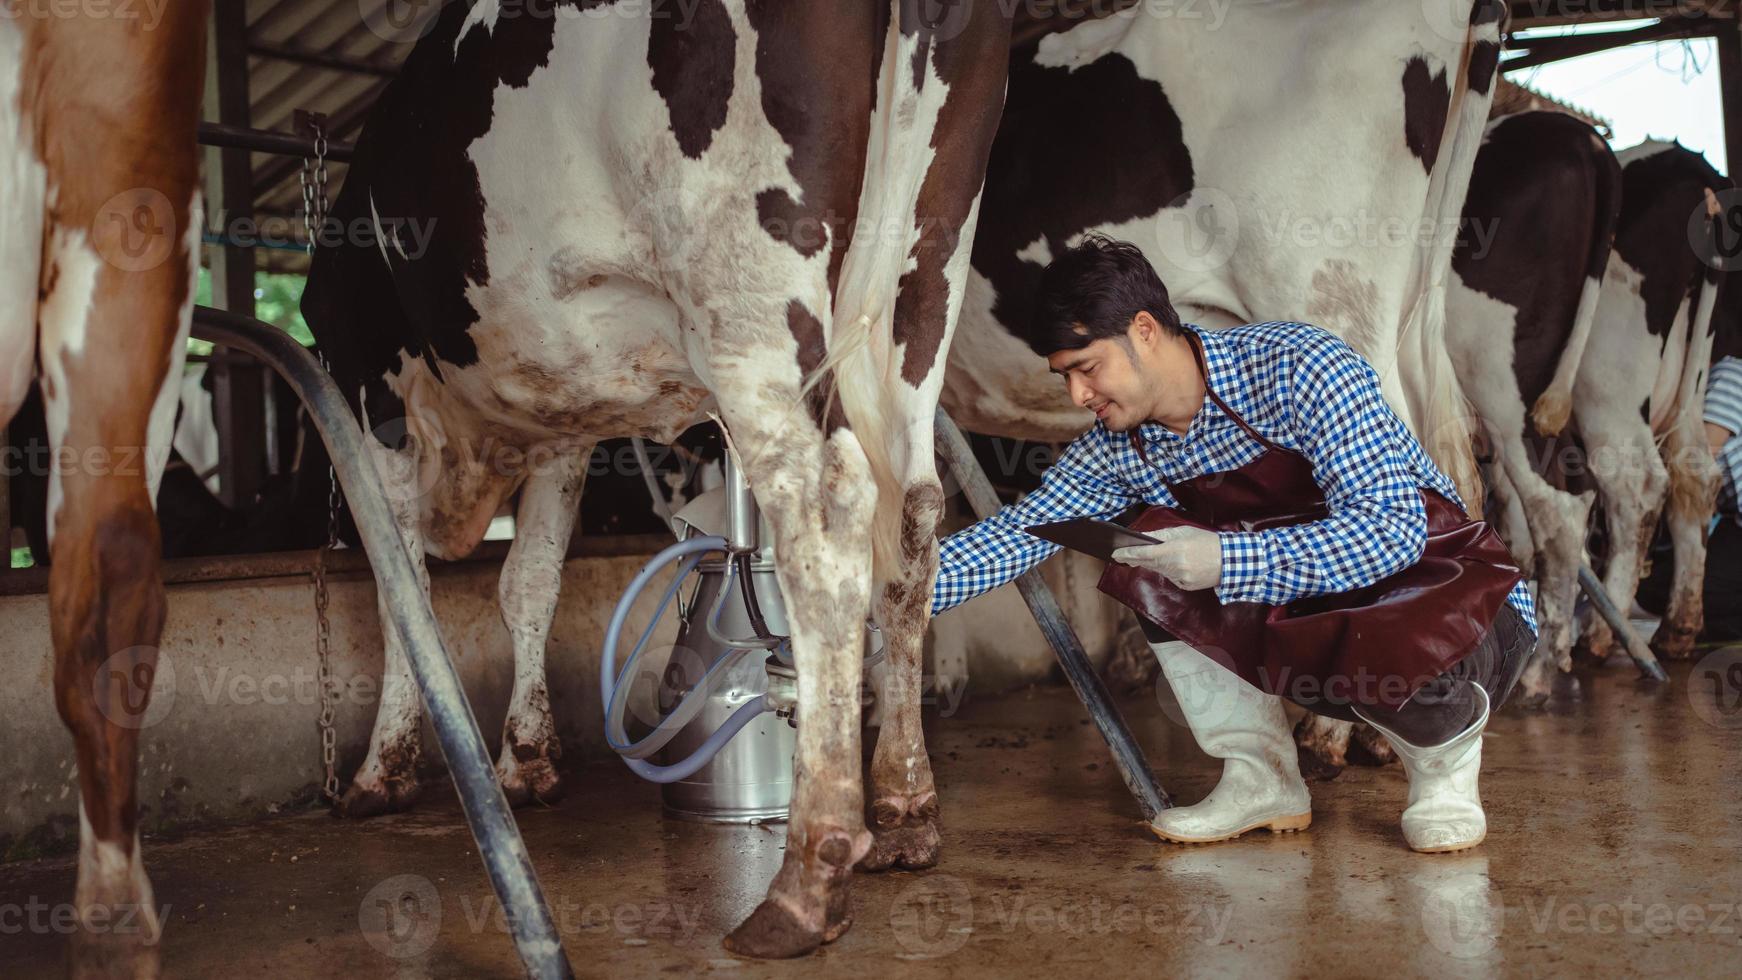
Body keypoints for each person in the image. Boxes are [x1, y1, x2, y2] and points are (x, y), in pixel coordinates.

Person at [930, 235, 1537, 853]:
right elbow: (1014, 535)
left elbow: (1392, 532)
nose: (1077, 397)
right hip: (1330, 633)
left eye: (1087, 369)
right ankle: (1262, 776)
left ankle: (1444, 765)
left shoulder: (1301, 367)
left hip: (1461, 608)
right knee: (1149, 557)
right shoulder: (1117, 450)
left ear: (1144, 330)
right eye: (1065, 377)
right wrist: (884, 599)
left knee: (1360, 589)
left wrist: (1225, 558)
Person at [1635, 355, 1742, 643]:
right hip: (1735, 521)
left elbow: (1698, 464)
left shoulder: (1729, 375)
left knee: (1680, 594)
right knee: (1662, 587)